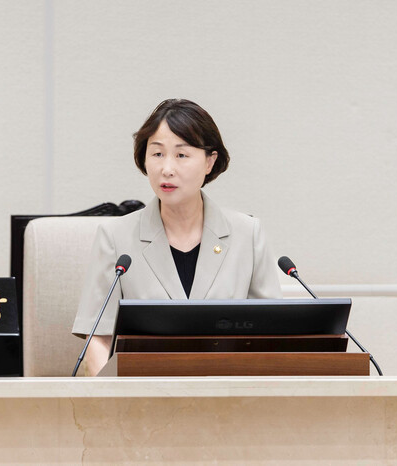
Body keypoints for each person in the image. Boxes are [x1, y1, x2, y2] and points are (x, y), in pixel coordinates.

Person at [71, 98, 282, 375]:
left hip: (227, 392)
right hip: (142, 393)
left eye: (181, 155)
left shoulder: (247, 234)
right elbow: (98, 339)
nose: (167, 169)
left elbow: (273, 334)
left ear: (210, 161)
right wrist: (112, 396)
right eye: (157, 154)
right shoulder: (115, 237)